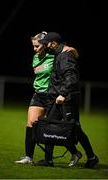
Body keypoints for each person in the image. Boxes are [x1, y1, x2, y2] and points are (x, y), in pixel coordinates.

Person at [15, 31, 82, 166]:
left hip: (52, 96)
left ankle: (74, 152)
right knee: (30, 124)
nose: (34, 49)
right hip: (38, 95)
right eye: (33, 46)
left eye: (37, 46)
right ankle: (29, 157)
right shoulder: (35, 58)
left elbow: (71, 53)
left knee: (53, 129)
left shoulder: (53, 55)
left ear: (45, 45)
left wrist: (73, 50)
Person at [35, 32, 99, 168]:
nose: (44, 46)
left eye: (46, 43)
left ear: (54, 44)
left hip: (66, 99)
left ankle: (92, 157)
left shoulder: (65, 56)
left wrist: (63, 94)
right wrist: (75, 50)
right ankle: (48, 160)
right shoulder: (59, 53)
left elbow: (71, 78)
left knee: (75, 129)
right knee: (49, 126)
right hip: (57, 98)